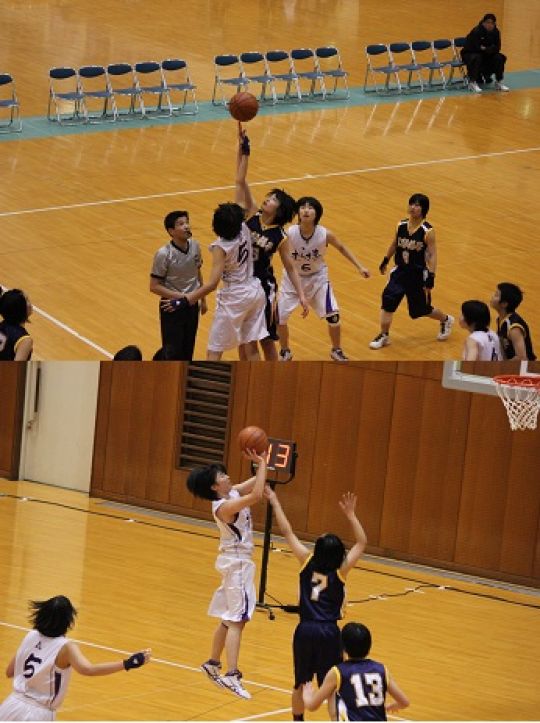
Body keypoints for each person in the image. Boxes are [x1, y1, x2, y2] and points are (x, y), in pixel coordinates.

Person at [265, 487, 367, 721]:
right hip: (329, 632)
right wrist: (351, 515)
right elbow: (362, 543)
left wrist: (275, 502)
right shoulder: (341, 571)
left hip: (305, 630)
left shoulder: (306, 560)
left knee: (301, 683)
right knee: (331, 687)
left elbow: (287, 531)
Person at [187, 450, 267, 700]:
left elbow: (250, 484)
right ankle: (232, 674)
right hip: (238, 564)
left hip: (232, 562)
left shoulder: (230, 493)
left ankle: (212, 663)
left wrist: (263, 465)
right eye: (222, 476)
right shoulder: (225, 507)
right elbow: (256, 495)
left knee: (228, 618)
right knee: (238, 620)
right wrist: (263, 464)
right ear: (214, 487)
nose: (228, 476)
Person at [0, 596, 151, 721]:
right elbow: (88, 669)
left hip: (10, 706)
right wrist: (127, 663)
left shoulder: (30, 635)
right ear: (68, 621)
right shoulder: (66, 647)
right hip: (38, 714)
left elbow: (9, 671)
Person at [235, 129, 308, 360]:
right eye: (269, 196)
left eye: (274, 199)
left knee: (265, 340)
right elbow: (240, 181)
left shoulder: (281, 236)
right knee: (243, 339)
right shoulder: (251, 214)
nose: (268, 199)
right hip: (241, 283)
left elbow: (290, 268)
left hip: (262, 287)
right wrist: (244, 152)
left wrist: (302, 295)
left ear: (280, 210)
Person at [277, 196, 370, 362]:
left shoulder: (325, 234)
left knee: (334, 316)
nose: (306, 210)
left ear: (317, 213)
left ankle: (336, 350)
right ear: (298, 212)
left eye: (310, 207)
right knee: (280, 318)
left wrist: (359, 266)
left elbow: (342, 248)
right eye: (303, 207)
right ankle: (285, 351)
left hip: (317, 279)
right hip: (292, 279)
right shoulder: (289, 233)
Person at [182, 203, 267, 361]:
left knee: (214, 351)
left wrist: (186, 299)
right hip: (255, 291)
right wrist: (242, 187)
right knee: (251, 347)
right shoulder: (244, 228)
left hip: (235, 297)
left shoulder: (220, 247)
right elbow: (247, 207)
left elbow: (212, 284)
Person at [369, 194, 454, 350]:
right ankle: (384, 334)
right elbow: (394, 243)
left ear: (424, 209)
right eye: (411, 204)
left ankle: (446, 319)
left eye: (417, 205)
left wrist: (431, 276)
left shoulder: (427, 231)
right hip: (400, 272)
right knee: (388, 302)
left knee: (419, 310)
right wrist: (386, 259)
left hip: (417, 274)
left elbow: (432, 255)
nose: (413, 207)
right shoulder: (401, 225)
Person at [302, 622, 409, 721]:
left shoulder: (337, 672)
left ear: (343, 647)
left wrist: (307, 695)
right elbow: (404, 702)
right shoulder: (381, 669)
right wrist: (392, 706)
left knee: (335, 698)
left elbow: (312, 706)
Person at [150, 210, 207, 360]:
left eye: (187, 222)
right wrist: (183, 297)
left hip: (192, 304)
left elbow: (197, 272)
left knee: (188, 350)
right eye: (181, 224)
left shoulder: (195, 245)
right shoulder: (163, 254)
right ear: (171, 231)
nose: (186, 226)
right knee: (172, 352)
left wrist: (203, 299)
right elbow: (154, 286)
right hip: (172, 305)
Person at [461, 14, 509, 93]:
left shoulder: (496, 32)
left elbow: (497, 48)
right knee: (477, 57)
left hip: (486, 53)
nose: (489, 25)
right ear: (483, 23)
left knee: (499, 57)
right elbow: (475, 47)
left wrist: (486, 49)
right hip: (470, 53)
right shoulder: (476, 31)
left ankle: (499, 82)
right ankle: (472, 82)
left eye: (492, 23)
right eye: (488, 22)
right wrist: (488, 48)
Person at [490, 282, 536, 360]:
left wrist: (503, 365)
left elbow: (521, 358)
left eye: (496, 295)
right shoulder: (501, 319)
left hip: (525, 366)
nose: (492, 296)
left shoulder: (514, 327)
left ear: (504, 304)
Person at [0, 288, 33, 361]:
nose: (30, 304)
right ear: (20, 309)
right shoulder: (25, 340)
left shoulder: (1, 325)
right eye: (27, 300)